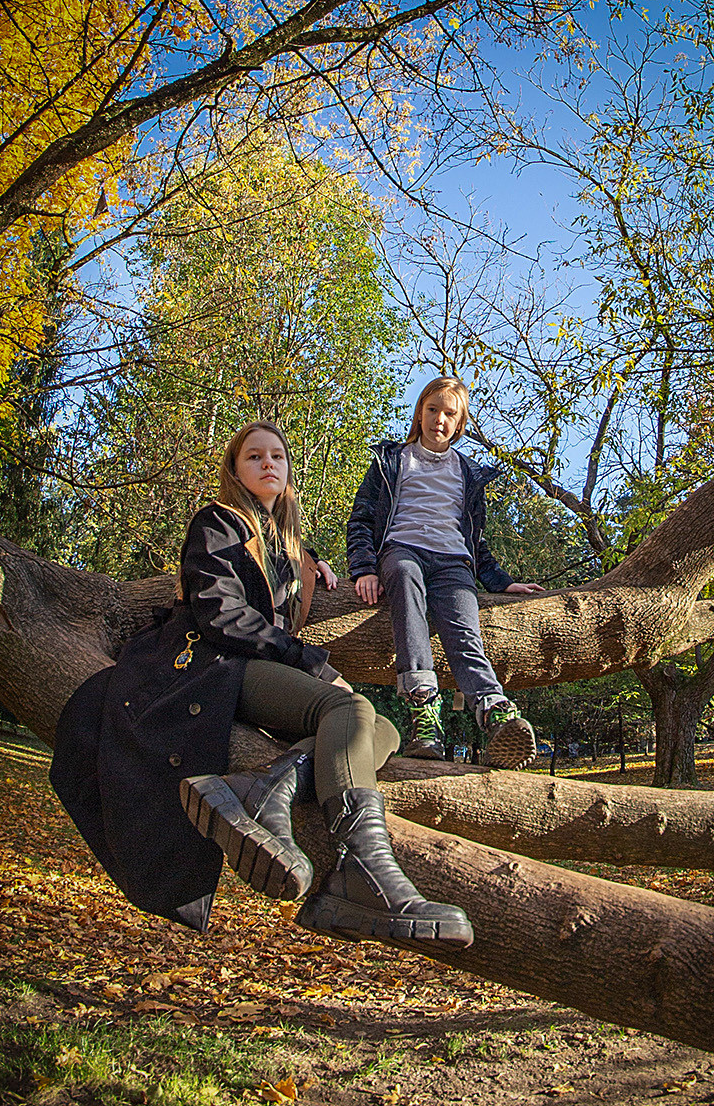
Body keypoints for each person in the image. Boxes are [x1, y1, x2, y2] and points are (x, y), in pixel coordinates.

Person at [50, 421, 473, 950]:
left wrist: (311, 563)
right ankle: (364, 872)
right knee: (350, 711)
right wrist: (311, 662)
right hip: (211, 665)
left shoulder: (288, 546)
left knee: (380, 725)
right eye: (254, 456)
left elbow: (278, 567)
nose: (268, 463)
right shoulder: (216, 523)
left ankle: (271, 784)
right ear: (235, 471)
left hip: (251, 671)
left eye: (277, 455)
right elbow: (222, 616)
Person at [347, 376, 544, 770]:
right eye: (432, 409)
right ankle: (424, 714)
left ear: (459, 424)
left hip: (453, 562)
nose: (439, 418)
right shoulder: (391, 461)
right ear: (419, 412)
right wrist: (364, 568)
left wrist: (503, 583)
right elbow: (362, 519)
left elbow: (476, 541)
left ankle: (494, 710)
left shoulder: (468, 474)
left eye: (449, 414)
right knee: (403, 580)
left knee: (463, 629)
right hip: (401, 551)